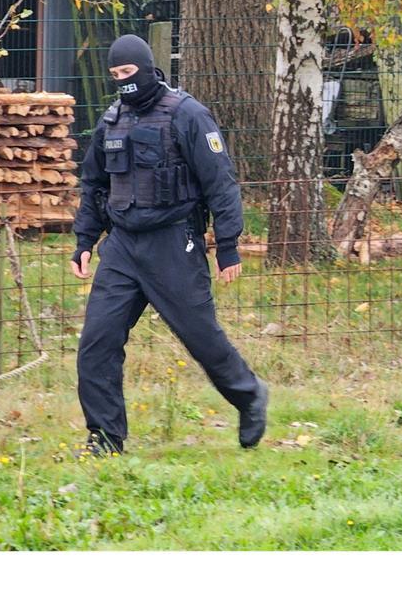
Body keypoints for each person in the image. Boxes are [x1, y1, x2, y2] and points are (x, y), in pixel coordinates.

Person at [69, 34, 268, 455]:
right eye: (115, 75)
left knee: (200, 337)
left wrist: (227, 245)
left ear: (147, 68)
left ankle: (248, 394)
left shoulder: (188, 114)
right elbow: (94, 185)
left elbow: (220, 182)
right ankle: (105, 438)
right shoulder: (112, 121)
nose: (123, 81)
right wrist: (85, 240)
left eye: (128, 72)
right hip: (123, 247)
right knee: (97, 342)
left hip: (174, 242)